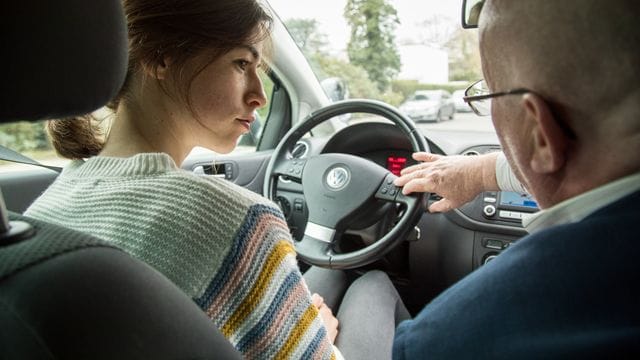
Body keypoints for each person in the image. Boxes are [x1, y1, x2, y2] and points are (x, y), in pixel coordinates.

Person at [24, 1, 346, 358]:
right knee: (369, 285)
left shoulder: (43, 210)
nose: (260, 95)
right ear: (161, 58)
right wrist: (324, 341)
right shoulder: (238, 220)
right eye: (242, 63)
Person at [392, 0, 640, 358]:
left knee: (368, 289)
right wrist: (481, 171)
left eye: (489, 95)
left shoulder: (441, 343)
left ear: (538, 132)